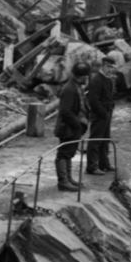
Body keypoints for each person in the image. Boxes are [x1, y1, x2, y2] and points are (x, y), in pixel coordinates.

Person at [53, 63, 90, 191]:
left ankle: (68, 178)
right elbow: (65, 111)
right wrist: (77, 125)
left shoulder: (76, 86)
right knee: (63, 154)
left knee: (69, 153)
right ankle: (63, 181)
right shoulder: (69, 89)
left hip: (73, 126)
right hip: (67, 127)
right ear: (82, 76)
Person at [85, 57, 116, 174]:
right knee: (95, 140)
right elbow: (93, 100)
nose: (110, 70)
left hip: (106, 113)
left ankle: (104, 163)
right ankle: (92, 166)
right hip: (99, 114)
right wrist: (103, 112)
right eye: (108, 67)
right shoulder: (97, 80)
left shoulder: (107, 79)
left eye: (112, 68)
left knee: (105, 139)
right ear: (103, 66)